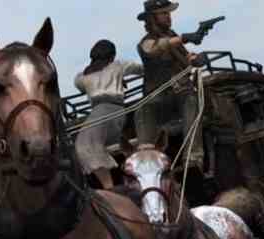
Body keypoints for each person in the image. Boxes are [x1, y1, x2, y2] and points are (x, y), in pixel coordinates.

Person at [135, 0, 207, 170]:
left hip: (181, 93)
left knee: (191, 102)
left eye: (169, 13)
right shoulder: (146, 41)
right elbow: (151, 50)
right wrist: (183, 38)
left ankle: (192, 160)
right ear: (152, 18)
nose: (169, 17)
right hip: (156, 97)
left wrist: (196, 59)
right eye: (164, 13)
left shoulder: (173, 38)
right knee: (142, 111)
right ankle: (146, 165)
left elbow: (187, 60)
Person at [74, 39, 143, 189]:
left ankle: (109, 186)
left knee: (83, 145)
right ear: (111, 56)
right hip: (113, 111)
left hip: (102, 112)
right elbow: (141, 69)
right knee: (86, 145)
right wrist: (120, 78)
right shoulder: (118, 66)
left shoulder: (81, 77)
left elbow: (80, 86)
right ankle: (111, 184)